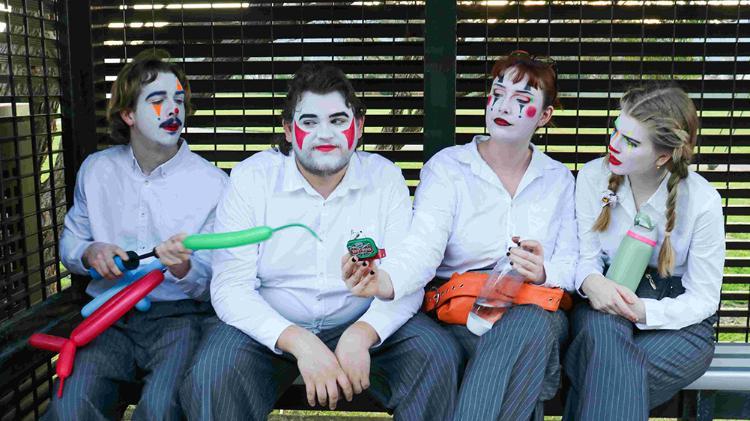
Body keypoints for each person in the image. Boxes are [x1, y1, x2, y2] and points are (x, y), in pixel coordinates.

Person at [179, 63, 462, 421]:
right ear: (287, 129)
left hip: (361, 320)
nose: (324, 134)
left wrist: (362, 334)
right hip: (273, 326)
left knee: (435, 355)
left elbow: (405, 280)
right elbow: (230, 288)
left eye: (338, 121)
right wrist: (299, 341)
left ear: (358, 127)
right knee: (213, 373)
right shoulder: (252, 179)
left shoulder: (384, 179)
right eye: (309, 122)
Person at [342, 50, 577, 420]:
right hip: (461, 312)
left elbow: (572, 262)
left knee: (530, 325)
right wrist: (385, 281)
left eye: (522, 100)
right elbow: (422, 247)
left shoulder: (558, 180)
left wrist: (543, 271)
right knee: (523, 368)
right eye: (497, 94)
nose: (503, 106)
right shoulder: (449, 167)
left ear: (544, 116)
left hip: (532, 307)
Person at [49, 49, 228, 421]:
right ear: (128, 114)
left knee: (163, 409)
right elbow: (70, 243)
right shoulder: (96, 170)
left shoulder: (214, 183)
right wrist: (90, 252)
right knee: (69, 407)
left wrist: (184, 267)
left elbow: (217, 281)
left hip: (182, 319)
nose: (173, 109)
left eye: (178, 99)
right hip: (107, 316)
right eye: (158, 100)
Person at [564, 82, 724, 420]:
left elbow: (704, 298)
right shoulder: (593, 177)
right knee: (604, 346)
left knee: (602, 375)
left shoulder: (702, 201)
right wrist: (592, 283)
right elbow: (585, 256)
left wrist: (644, 312)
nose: (614, 145)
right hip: (603, 308)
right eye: (616, 131)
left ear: (662, 157)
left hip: (678, 320)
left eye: (631, 142)